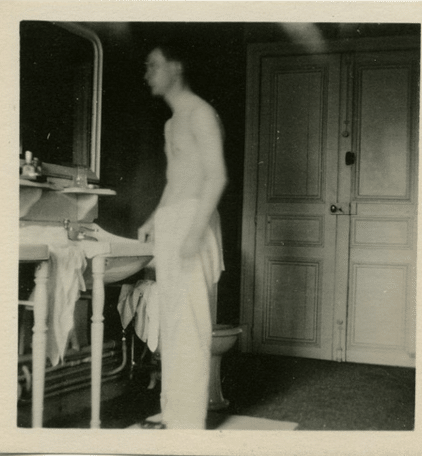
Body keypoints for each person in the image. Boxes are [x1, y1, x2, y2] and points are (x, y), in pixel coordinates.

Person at [137, 43, 227, 430]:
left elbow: (216, 176)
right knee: (171, 321)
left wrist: (193, 233)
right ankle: (174, 410)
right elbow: (177, 179)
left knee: (190, 324)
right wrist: (155, 218)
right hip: (174, 221)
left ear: (176, 66)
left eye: (153, 65)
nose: (147, 73)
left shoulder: (201, 114)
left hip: (195, 221)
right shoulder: (172, 122)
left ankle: (188, 421)